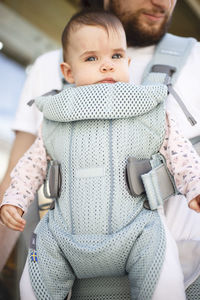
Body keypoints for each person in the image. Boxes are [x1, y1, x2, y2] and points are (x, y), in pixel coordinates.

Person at [0, 0, 200, 297]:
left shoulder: (182, 72)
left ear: (127, 64)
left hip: (155, 247)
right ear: (68, 71)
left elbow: (180, 154)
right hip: (66, 239)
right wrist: (13, 201)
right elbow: (27, 166)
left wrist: (195, 185)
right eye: (91, 59)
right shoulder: (50, 85)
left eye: (117, 56)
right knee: (34, 280)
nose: (161, 1)